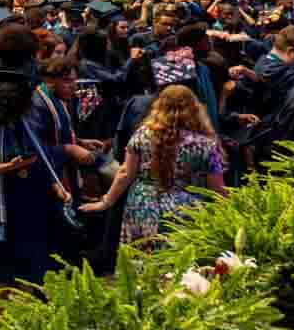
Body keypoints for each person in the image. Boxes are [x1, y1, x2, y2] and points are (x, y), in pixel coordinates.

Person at [0, 26, 73, 296]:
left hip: (32, 198)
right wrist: (11, 167)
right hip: (1, 202)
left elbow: (41, 152)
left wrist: (54, 182)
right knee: (6, 268)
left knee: (34, 264)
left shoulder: (29, 118)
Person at [80, 84, 226, 245]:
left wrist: (105, 202)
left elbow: (125, 173)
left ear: (159, 106)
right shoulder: (207, 145)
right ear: (195, 108)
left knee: (140, 260)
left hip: (143, 205)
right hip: (186, 210)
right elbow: (217, 190)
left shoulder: (143, 134)